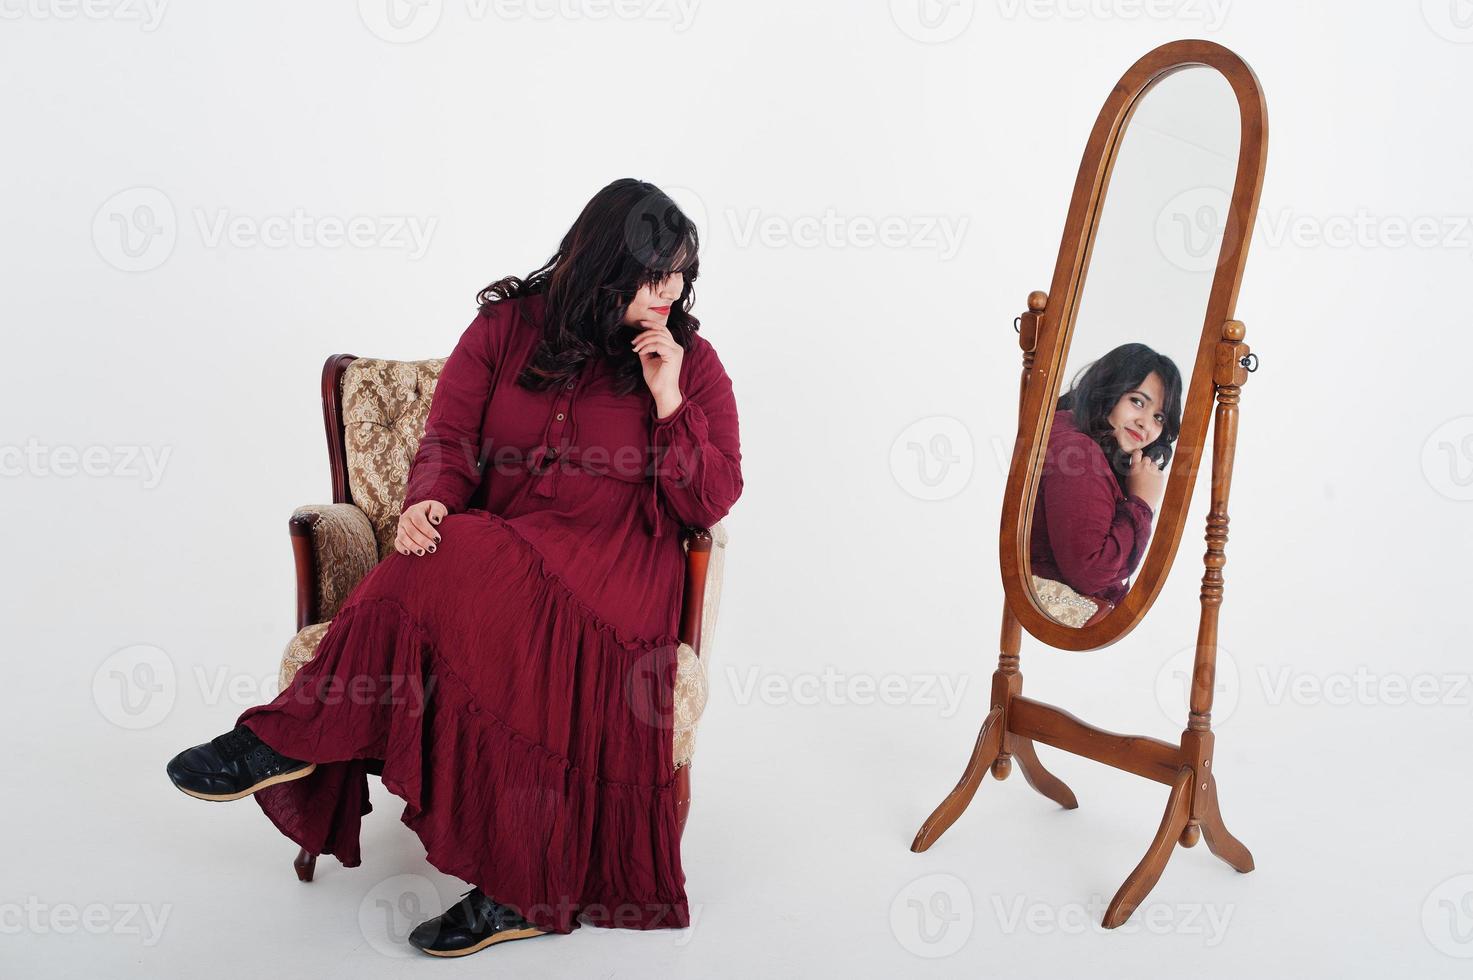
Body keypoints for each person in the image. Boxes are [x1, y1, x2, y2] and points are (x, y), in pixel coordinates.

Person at [165, 178, 743, 957]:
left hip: (615, 573)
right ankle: (516, 890)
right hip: (507, 558)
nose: (668, 291)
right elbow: (448, 436)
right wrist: (426, 498)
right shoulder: (508, 325)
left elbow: (710, 498)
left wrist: (669, 399)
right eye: (652, 273)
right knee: (441, 541)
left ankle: (291, 738)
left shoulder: (689, 360)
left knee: (461, 546)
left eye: (680, 272)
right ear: (603, 262)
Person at [1029, 342, 1182, 612]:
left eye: (1159, 417)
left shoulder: (1075, 435)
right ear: (1109, 391)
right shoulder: (1080, 453)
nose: (1146, 423)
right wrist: (1141, 502)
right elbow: (1091, 572)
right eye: (1137, 402)